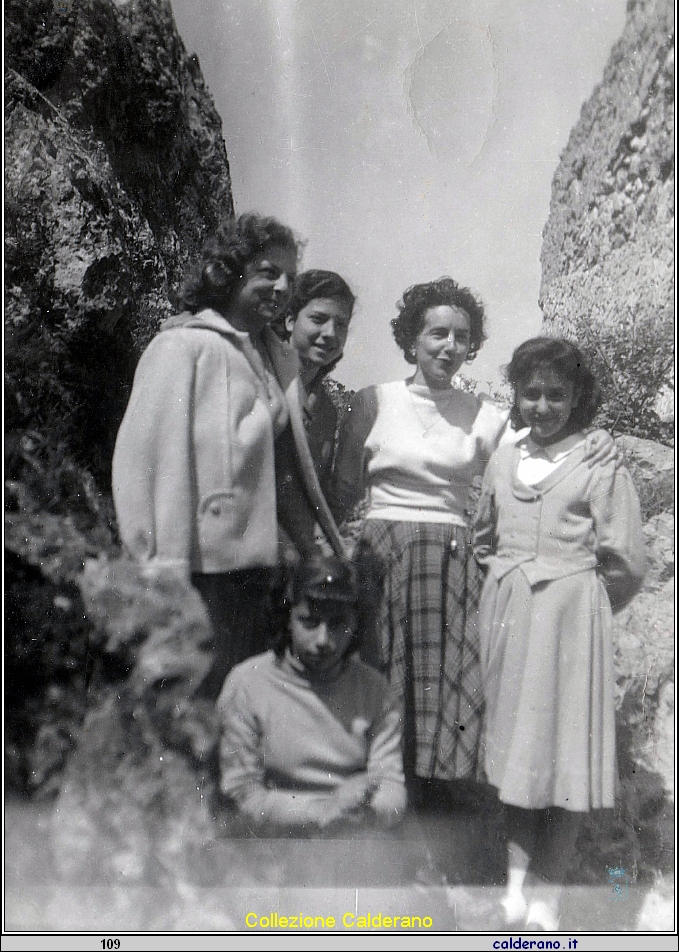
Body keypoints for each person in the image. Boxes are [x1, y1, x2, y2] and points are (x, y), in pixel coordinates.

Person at [332, 279, 618, 795]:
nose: (449, 346)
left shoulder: (485, 414)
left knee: (447, 690)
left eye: (461, 337)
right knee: (379, 673)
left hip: (452, 565)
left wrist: (595, 439)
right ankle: (375, 793)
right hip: (381, 558)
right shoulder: (374, 402)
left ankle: (434, 806)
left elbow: (545, 445)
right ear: (412, 338)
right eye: (437, 333)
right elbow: (341, 492)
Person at [112, 213, 343, 701]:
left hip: (253, 572)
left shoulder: (270, 357)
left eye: (289, 278)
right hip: (197, 575)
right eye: (266, 272)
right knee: (190, 710)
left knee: (237, 714)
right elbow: (149, 469)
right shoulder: (182, 346)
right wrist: (161, 573)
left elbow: (287, 470)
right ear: (227, 273)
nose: (282, 287)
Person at [473, 337, 646, 930]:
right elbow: (482, 539)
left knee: (566, 759)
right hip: (511, 626)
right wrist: (505, 586)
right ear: (516, 396)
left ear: (577, 397)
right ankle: (515, 890)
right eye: (531, 393)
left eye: (556, 394)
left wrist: (586, 606)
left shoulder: (600, 461)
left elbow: (626, 560)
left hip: (573, 628)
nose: (542, 406)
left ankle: (548, 897)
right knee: (519, 757)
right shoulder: (502, 459)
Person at [217, 555, 406, 836]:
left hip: (353, 833)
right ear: (287, 619)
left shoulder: (375, 690)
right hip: (273, 839)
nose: (323, 641)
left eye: (338, 624)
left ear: (356, 625)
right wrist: (323, 810)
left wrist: (365, 814)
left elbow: (391, 785)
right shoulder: (247, 684)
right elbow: (240, 794)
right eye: (309, 622)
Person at [280, 269, 356, 499]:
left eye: (341, 324)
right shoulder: (259, 379)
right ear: (290, 320)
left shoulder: (326, 411)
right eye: (318, 319)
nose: (330, 333)